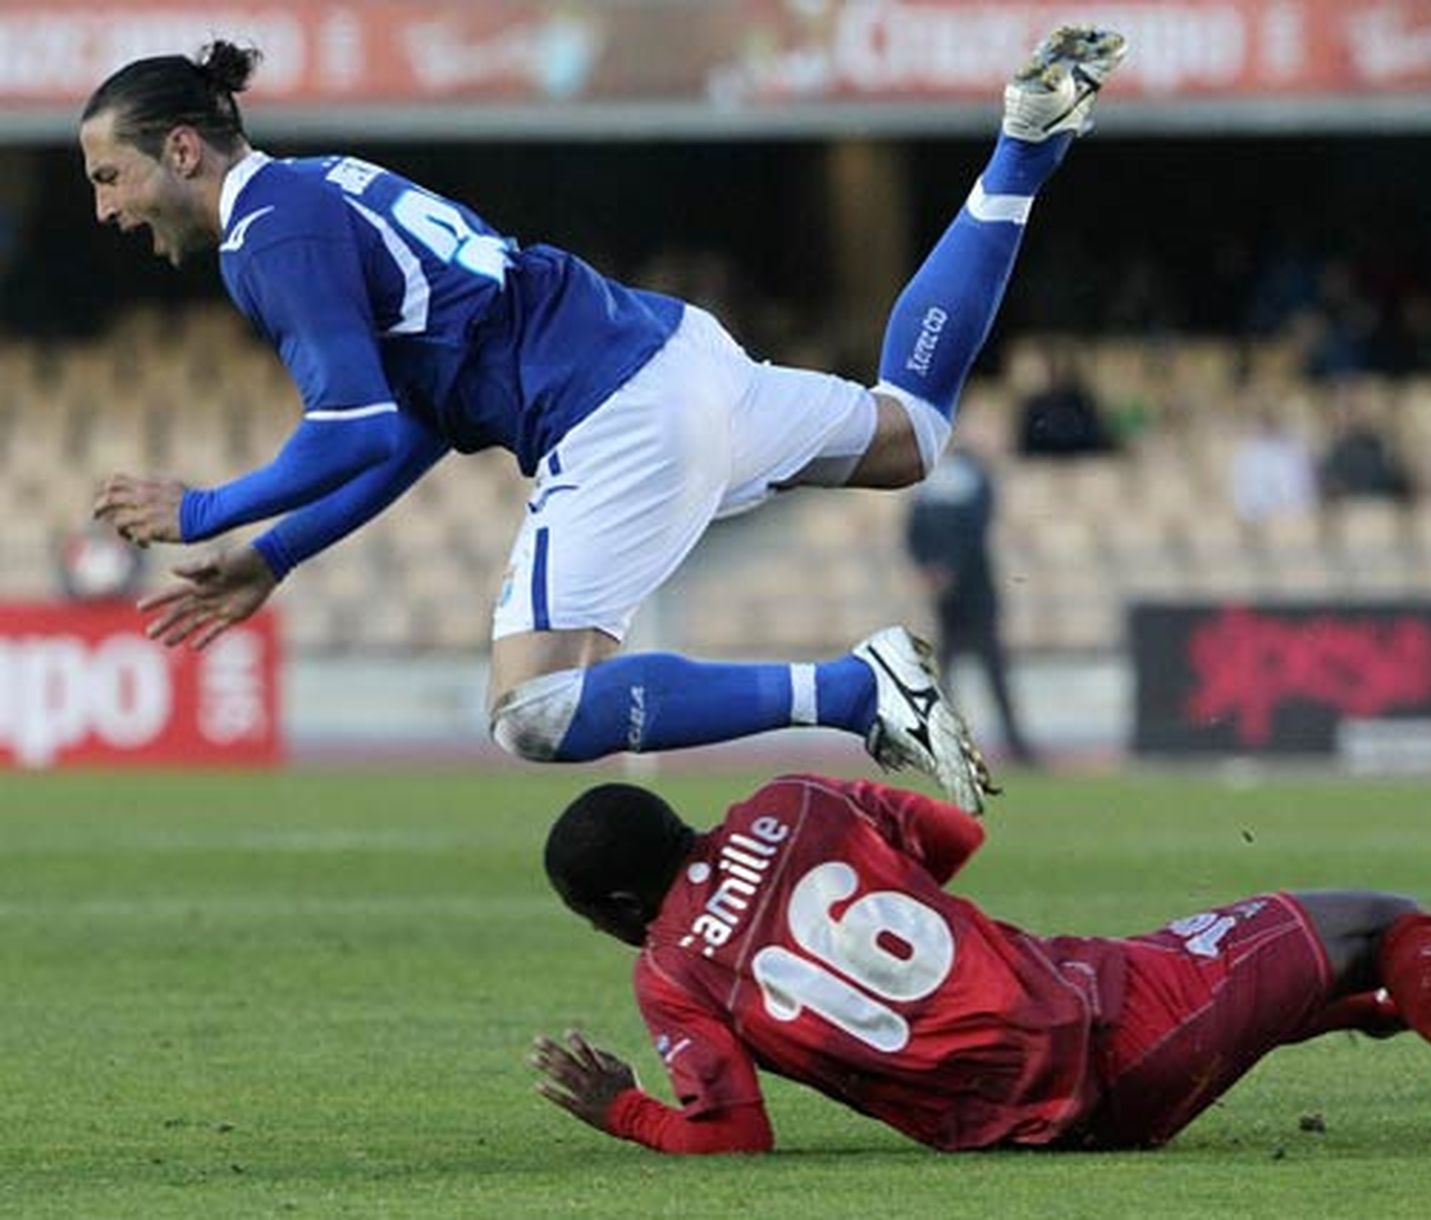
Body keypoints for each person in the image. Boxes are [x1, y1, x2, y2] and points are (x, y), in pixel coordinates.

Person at [80, 27, 1129, 812]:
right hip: (672, 352)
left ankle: (857, 691)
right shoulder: (318, 190)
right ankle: (1022, 156)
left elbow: (352, 426)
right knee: (909, 433)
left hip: (612, 411)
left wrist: (208, 506)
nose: (104, 209)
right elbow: (415, 421)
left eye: (109, 174)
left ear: (181, 149)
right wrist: (278, 550)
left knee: (532, 709)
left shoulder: (266, 233)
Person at [530, 776, 1431, 1155]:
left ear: (621, 906)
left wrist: (623, 1107)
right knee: (1385, 914)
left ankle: (1349, 1005)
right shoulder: (795, 802)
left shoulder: (670, 972)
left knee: (1279, 976)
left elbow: (734, 1133)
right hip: (1107, 1025)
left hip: (1040, 1128)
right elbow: (955, 839)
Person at [905, 413, 1036, 763]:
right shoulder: (977, 478)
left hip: (945, 592)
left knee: (947, 671)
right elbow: (977, 530)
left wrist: (930, 567)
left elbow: (913, 529)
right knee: (992, 669)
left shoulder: (932, 480)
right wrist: (951, 567)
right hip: (975, 589)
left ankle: (943, 743)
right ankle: (1015, 745)